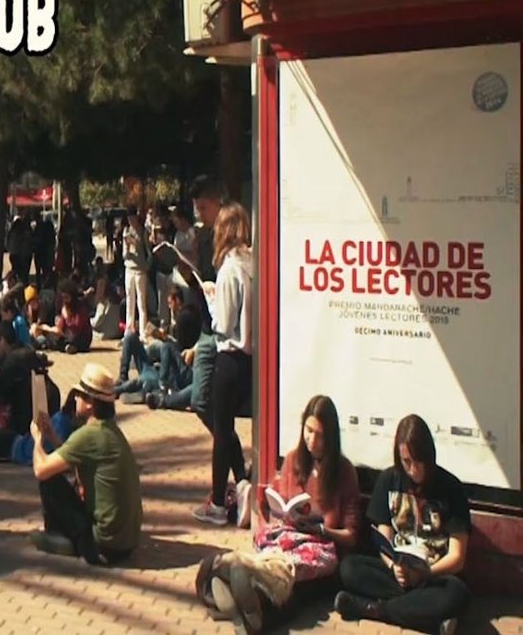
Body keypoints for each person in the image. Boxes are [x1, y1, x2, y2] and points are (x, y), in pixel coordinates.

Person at [198, 395, 361, 632]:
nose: (312, 441)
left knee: (289, 574)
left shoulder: (344, 472)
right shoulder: (294, 459)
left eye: (320, 435)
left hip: (319, 546)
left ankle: (235, 580)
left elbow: (351, 535)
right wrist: (273, 516)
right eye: (309, 431)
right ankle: (243, 601)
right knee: (278, 564)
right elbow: (271, 500)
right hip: (287, 535)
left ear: (331, 437)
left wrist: (322, 529)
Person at [334, 415, 470, 633]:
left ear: (429, 456)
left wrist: (424, 574)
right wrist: (394, 567)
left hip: (433, 574)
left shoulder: (451, 488)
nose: (414, 469)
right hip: (398, 573)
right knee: (349, 567)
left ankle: (373, 609)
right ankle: (428, 618)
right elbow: (384, 540)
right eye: (407, 462)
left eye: (419, 461)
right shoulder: (389, 480)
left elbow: (457, 557)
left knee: (456, 593)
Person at [29, 362, 141, 566]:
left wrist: (37, 439)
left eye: (79, 395)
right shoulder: (110, 430)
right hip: (125, 544)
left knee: (49, 481)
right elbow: (76, 458)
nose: (75, 399)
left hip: (102, 546)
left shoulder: (89, 435)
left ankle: (60, 536)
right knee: (68, 478)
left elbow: (41, 470)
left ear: (91, 403)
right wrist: (51, 435)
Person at [192, 202, 254, 526]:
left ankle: (218, 501)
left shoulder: (230, 268)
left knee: (222, 429)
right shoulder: (254, 262)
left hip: (229, 355)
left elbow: (224, 323)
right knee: (227, 428)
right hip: (251, 356)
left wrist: (212, 299)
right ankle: (241, 481)